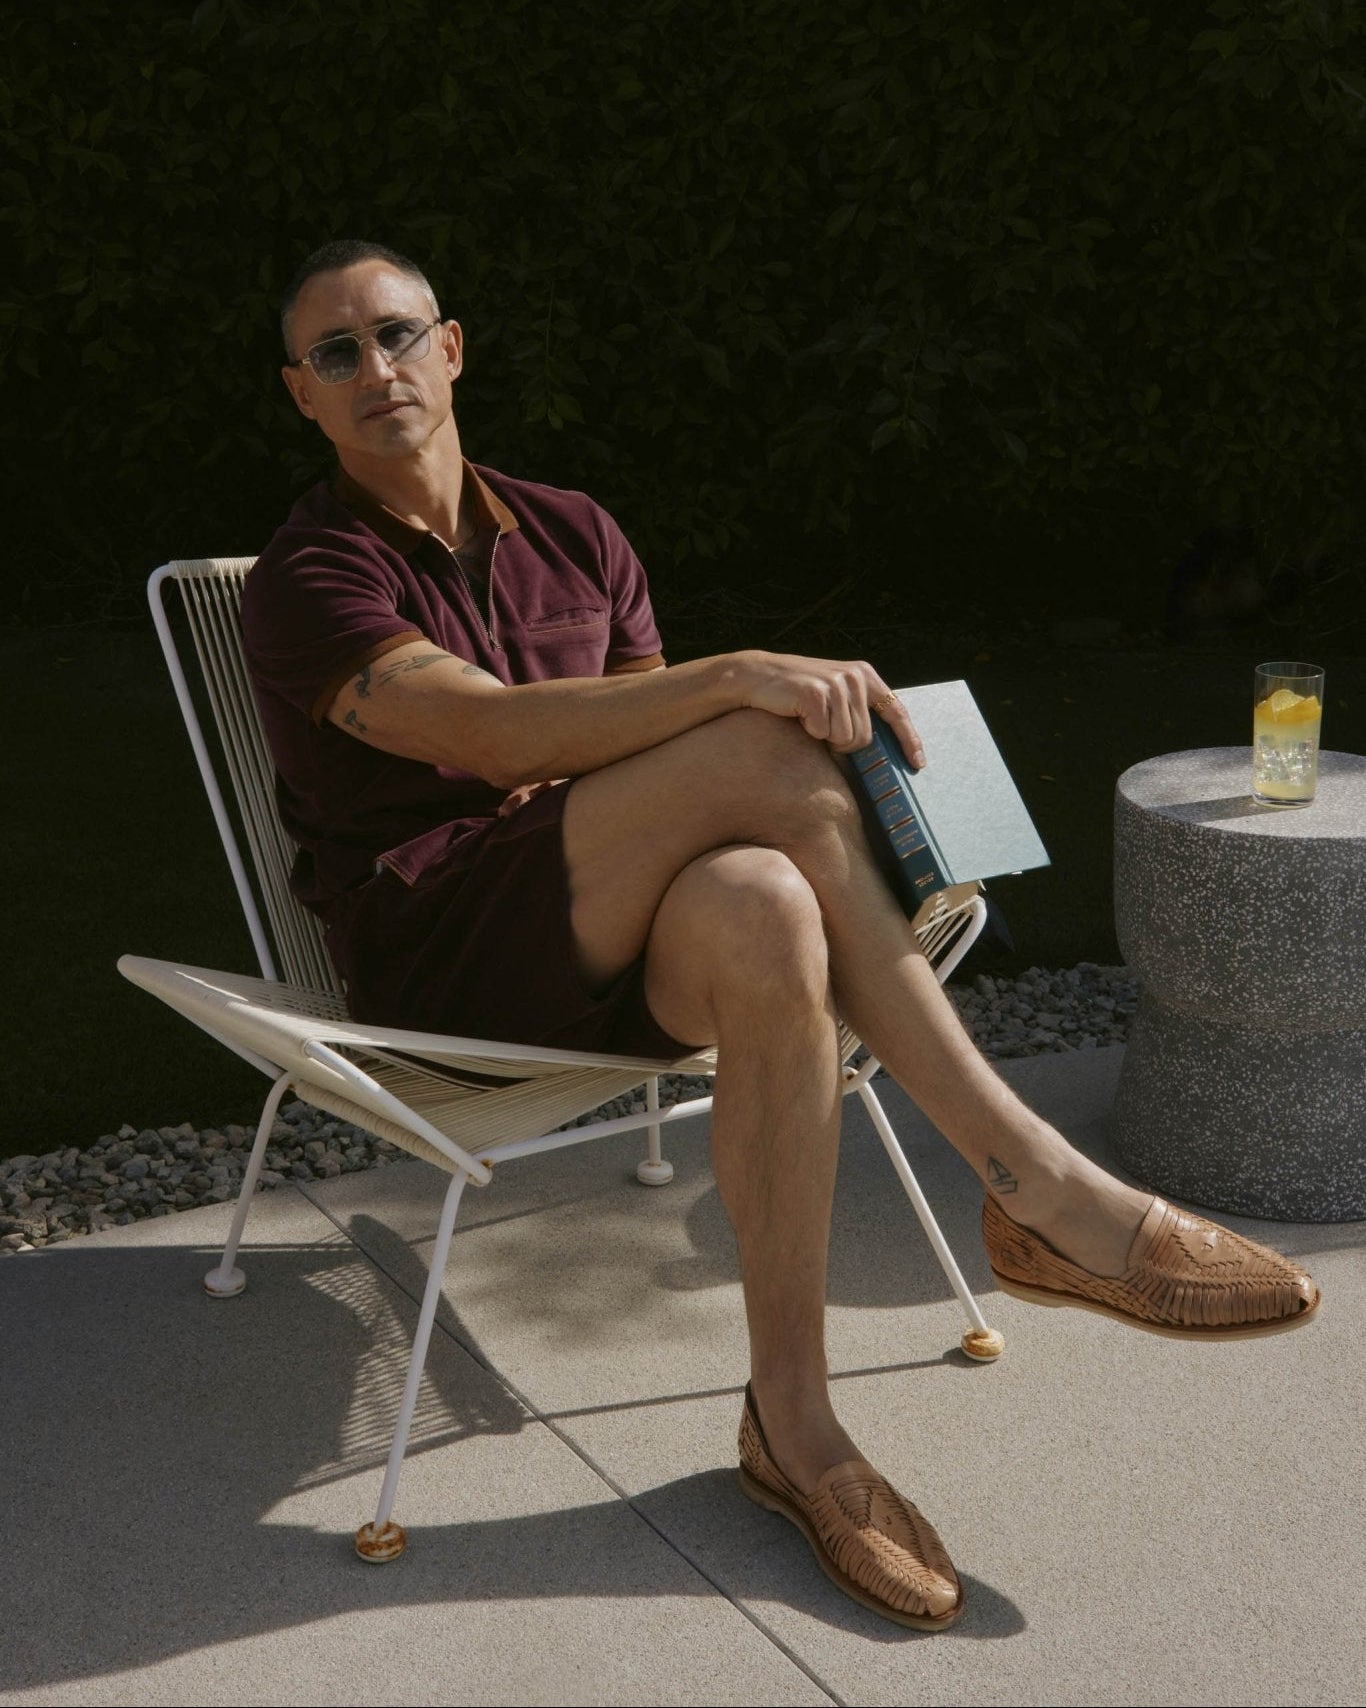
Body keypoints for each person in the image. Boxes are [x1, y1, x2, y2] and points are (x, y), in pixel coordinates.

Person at [243, 240, 1319, 1631]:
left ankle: (795, 1437)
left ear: (452, 350)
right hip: (445, 952)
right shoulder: (307, 578)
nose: (374, 368)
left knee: (760, 901)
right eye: (336, 354)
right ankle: (1036, 1184)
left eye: (396, 335)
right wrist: (748, 677)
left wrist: (727, 732)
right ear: (302, 398)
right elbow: (488, 732)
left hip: (610, 938)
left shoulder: (574, 531)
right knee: (758, 742)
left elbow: (641, 750)